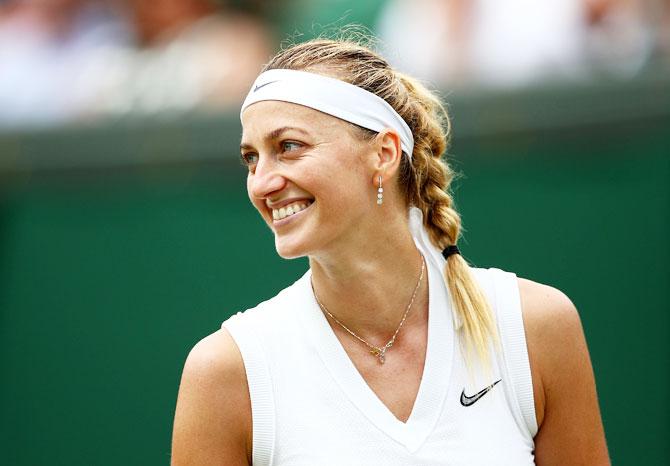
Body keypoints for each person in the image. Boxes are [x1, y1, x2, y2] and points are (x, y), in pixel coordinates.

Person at [171, 37, 610, 465]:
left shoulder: (536, 327)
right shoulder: (227, 372)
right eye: (252, 158)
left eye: (289, 147)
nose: (262, 183)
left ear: (383, 153)